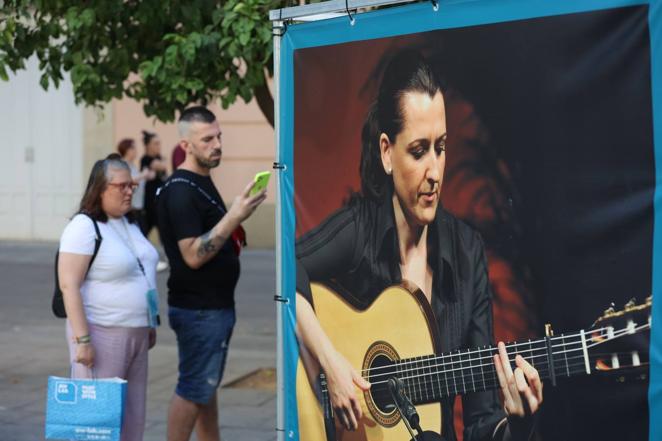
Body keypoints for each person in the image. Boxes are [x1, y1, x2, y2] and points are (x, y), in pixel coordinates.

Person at [295, 50, 542, 441]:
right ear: (386, 153)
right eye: (418, 151)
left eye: (440, 148)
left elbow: (482, 422)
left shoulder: (466, 253)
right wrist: (330, 363)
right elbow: (287, 272)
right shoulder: (360, 228)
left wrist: (518, 421)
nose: (433, 172)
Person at [157, 106, 267, 441]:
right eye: (207, 139)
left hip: (211, 307)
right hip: (200, 311)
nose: (217, 144)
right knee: (193, 388)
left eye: (218, 136)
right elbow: (192, 254)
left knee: (206, 388)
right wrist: (234, 216)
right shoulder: (180, 190)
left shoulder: (199, 182)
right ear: (186, 145)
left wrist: (236, 215)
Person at [58, 154, 159, 441]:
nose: (130, 191)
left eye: (132, 186)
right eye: (122, 186)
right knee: (97, 425)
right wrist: (83, 341)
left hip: (137, 335)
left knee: (132, 417)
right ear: (100, 188)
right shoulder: (83, 227)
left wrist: (149, 323)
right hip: (102, 335)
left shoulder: (129, 224)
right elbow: (69, 285)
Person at [140, 130, 169, 272]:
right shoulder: (145, 159)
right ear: (148, 146)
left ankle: (168, 256)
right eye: (155, 143)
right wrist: (161, 163)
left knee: (163, 230)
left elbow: (163, 166)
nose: (158, 146)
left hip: (160, 201)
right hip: (150, 203)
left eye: (159, 143)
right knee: (144, 231)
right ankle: (140, 257)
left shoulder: (158, 158)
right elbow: (162, 166)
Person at [117, 138, 155, 222]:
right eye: (133, 148)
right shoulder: (122, 165)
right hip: (129, 209)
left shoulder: (133, 166)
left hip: (138, 208)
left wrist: (147, 176)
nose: (136, 150)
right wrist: (143, 175)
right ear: (127, 150)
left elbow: (138, 183)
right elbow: (128, 181)